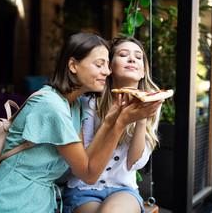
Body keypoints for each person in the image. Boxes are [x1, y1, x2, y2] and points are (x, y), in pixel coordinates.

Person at [0, 32, 163, 213]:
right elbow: (88, 175)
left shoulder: (73, 107)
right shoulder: (52, 105)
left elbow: (86, 161)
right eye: (99, 65)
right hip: (10, 200)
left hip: (40, 203)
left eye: (107, 65)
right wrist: (120, 123)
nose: (106, 71)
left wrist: (108, 122)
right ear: (73, 65)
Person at [62, 37, 161, 213]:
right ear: (110, 68)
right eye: (123, 55)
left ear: (143, 72)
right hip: (83, 188)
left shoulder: (153, 103)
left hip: (123, 188)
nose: (132, 59)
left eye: (138, 57)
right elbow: (82, 160)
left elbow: (134, 163)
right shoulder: (89, 103)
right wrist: (115, 122)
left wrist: (142, 116)